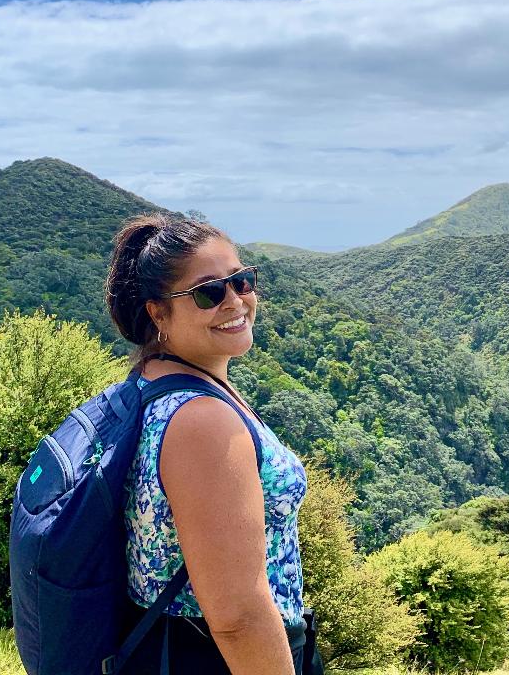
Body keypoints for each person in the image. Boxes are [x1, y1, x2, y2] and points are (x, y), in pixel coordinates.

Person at [105, 212, 317, 675]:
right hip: (220, 658)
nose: (236, 301)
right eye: (208, 292)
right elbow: (238, 616)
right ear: (158, 312)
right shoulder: (201, 421)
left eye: (241, 281)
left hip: (170, 646)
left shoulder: (152, 384)